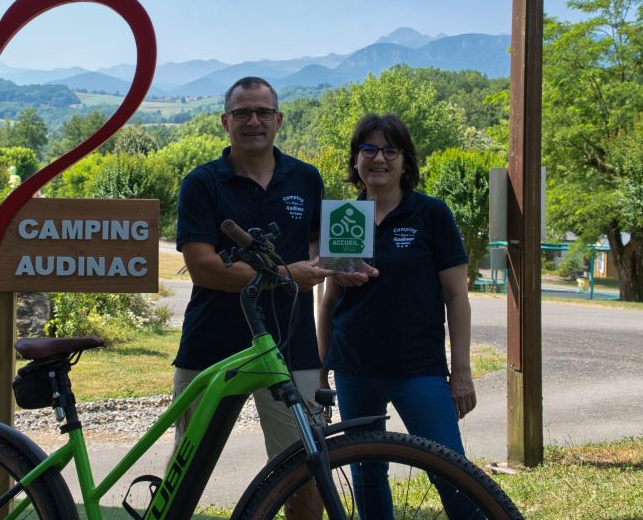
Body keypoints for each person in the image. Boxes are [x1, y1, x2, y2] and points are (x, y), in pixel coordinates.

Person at [174, 76, 332, 518]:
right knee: (185, 474)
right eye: (242, 112)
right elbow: (204, 267)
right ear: (225, 122)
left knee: (304, 473)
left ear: (279, 120)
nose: (253, 121)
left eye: (263, 112)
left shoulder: (306, 178)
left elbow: (319, 242)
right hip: (211, 344)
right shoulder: (202, 183)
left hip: (291, 344)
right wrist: (287, 275)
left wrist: (336, 264)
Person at [316, 113, 480, 519]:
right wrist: (321, 371)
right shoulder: (344, 217)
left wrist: (461, 372)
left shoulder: (431, 214)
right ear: (356, 159)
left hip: (418, 369)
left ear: (406, 161)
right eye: (368, 149)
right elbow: (329, 301)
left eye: (391, 150)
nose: (379, 158)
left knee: (453, 474)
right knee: (367, 474)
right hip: (354, 369)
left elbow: (457, 297)